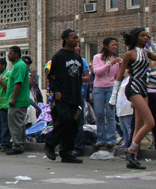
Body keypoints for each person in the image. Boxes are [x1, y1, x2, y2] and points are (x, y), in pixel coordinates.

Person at [108, 28, 156, 170]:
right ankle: (131, 150)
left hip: (143, 88)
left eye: (146, 36)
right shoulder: (130, 54)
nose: (145, 37)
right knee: (151, 122)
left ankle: (133, 158)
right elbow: (119, 76)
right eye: (142, 36)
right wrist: (113, 98)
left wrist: (152, 42)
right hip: (133, 88)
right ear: (136, 38)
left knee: (139, 126)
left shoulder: (146, 53)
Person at [44, 29, 84, 163]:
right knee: (65, 119)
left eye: (77, 37)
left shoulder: (78, 57)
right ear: (66, 39)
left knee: (74, 123)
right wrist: (56, 92)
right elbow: (52, 77)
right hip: (63, 96)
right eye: (73, 37)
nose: (76, 40)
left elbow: (79, 77)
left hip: (76, 96)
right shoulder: (59, 56)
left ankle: (66, 152)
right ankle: (50, 143)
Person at [91, 37, 121, 150]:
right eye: (113, 44)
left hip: (111, 88)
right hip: (98, 87)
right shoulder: (97, 57)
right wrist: (110, 63)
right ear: (106, 46)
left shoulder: (115, 59)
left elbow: (116, 75)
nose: (115, 47)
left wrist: (119, 65)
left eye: (116, 45)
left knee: (110, 114)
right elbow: (97, 72)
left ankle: (111, 140)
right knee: (99, 114)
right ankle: (100, 139)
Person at [6, 46, 30, 155]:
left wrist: (13, 98)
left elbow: (18, 83)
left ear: (16, 54)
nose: (8, 55)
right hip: (17, 100)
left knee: (15, 124)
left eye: (10, 53)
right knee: (18, 124)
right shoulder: (16, 66)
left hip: (18, 101)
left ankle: (17, 146)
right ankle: (19, 144)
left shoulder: (20, 65)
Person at [70, 44, 91, 156]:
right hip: (66, 97)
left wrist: (76, 77)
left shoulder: (82, 61)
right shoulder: (63, 59)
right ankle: (67, 147)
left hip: (78, 96)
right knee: (66, 122)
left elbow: (87, 78)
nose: (75, 47)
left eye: (77, 45)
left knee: (78, 121)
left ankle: (77, 148)